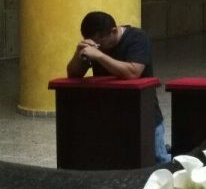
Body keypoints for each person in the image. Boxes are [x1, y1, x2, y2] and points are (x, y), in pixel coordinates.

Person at [66, 11, 170, 163]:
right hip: (111, 115)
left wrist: (99, 56)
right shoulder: (96, 44)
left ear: (113, 31)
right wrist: (78, 54)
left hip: (143, 112)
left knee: (157, 160)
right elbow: (73, 74)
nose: (99, 47)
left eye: (101, 43)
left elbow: (133, 72)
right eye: (95, 44)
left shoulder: (138, 38)